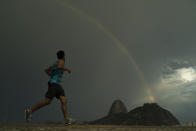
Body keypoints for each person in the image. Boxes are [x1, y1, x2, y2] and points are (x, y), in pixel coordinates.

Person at [25, 50, 76, 125]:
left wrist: (51, 75)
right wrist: (67, 69)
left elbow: (46, 70)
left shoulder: (55, 63)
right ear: (64, 56)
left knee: (64, 100)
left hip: (56, 84)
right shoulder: (61, 61)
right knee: (47, 101)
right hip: (54, 84)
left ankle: (67, 120)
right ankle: (29, 111)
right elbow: (59, 67)